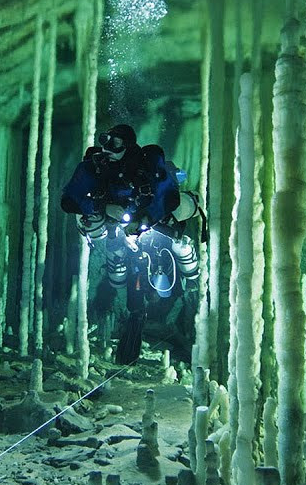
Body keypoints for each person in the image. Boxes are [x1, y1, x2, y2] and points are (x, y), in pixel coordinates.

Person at [60, 124, 203, 362]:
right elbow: (68, 200)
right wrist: (102, 207)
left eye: (115, 143)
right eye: (105, 140)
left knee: (179, 223)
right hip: (114, 222)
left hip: (149, 217)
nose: (107, 149)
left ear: (128, 146)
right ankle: (115, 259)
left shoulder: (146, 165)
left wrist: (146, 217)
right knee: (103, 238)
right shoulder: (94, 167)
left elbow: (168, 196)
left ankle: (188, 268)